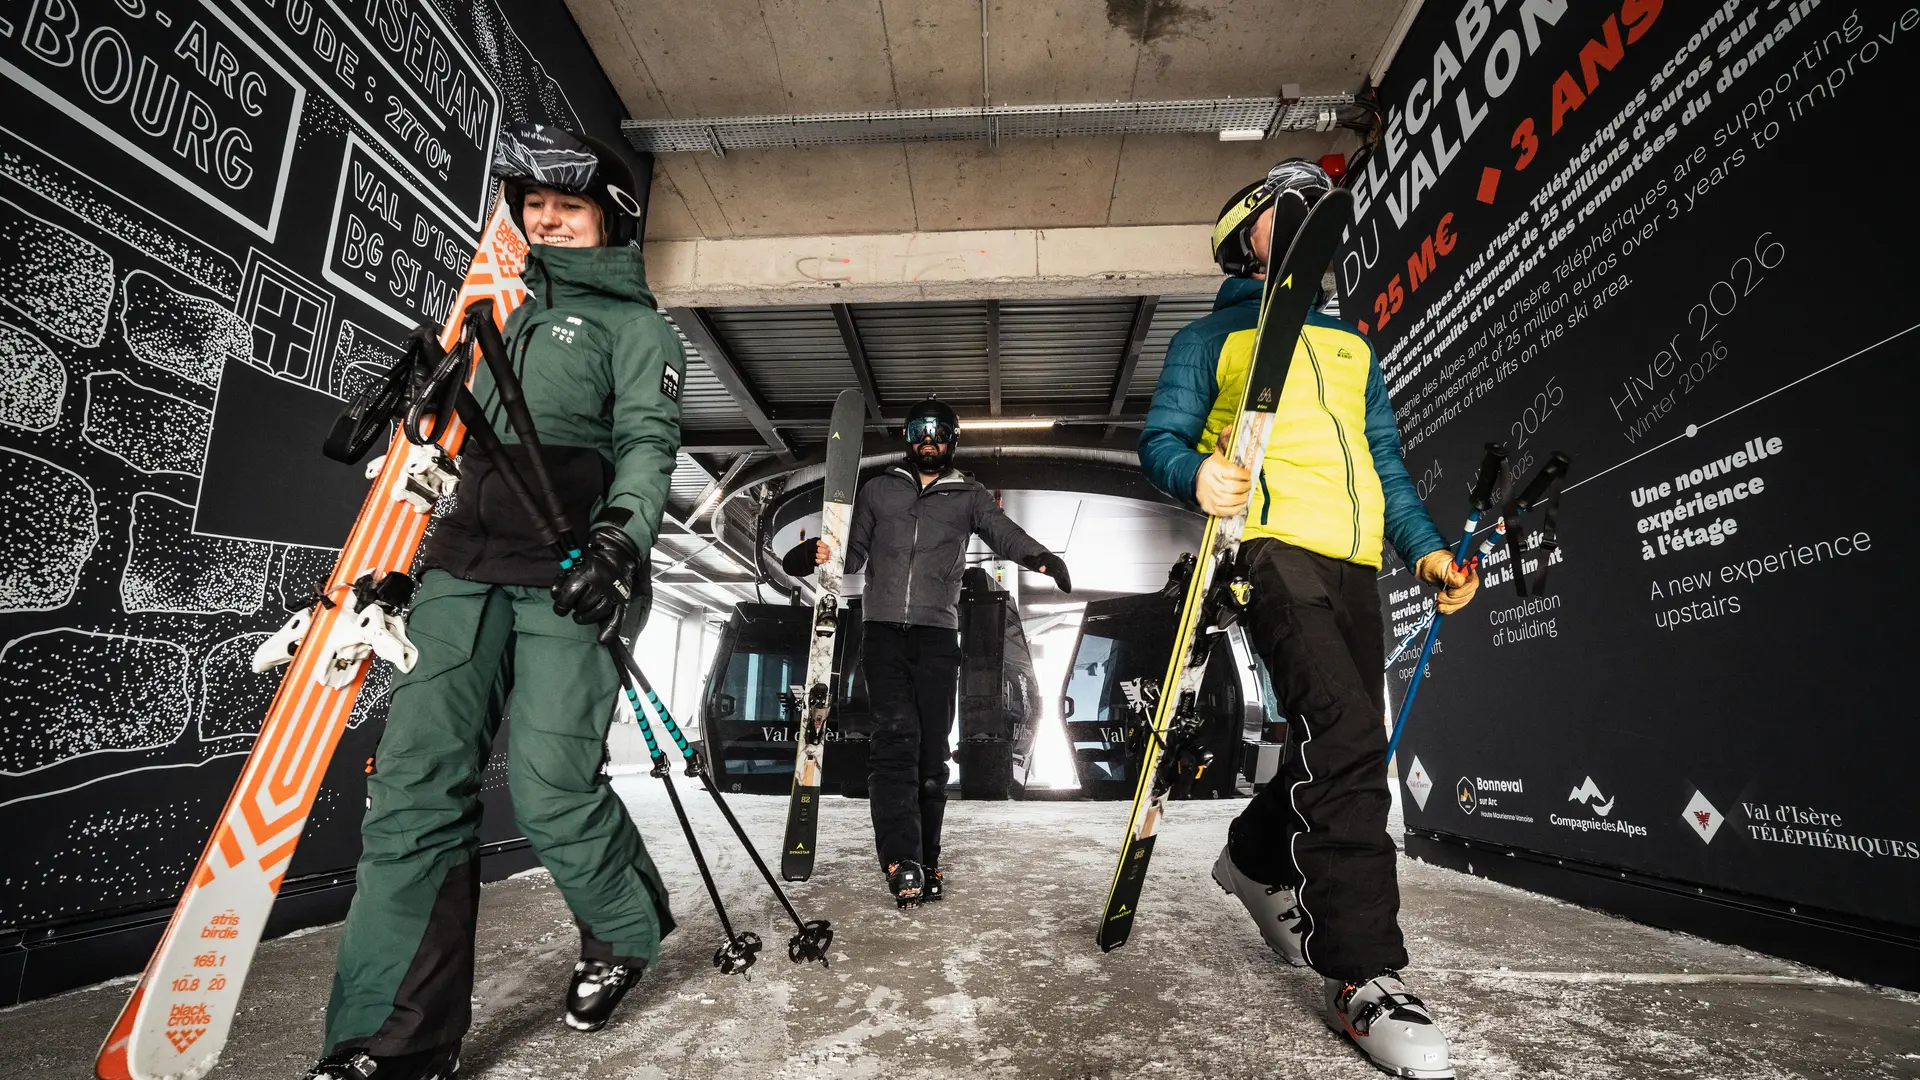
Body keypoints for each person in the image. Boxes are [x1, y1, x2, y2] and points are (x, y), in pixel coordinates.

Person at [306, 122, 687, 1080]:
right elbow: (449, 447)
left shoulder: (638, 329)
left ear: (612, 216)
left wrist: (621, 539)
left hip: (569, 569)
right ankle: (390, 1040)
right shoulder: (496, 311)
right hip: (464, 565)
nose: (547, 220)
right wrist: (403, 547)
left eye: (569, 205)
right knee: (413, 789)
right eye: (533, 207)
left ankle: (624, 931)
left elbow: (646, 444)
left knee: (553, 789)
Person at [1136, 159, 1478, 1079]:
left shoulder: (1354, 346)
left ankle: (1253, 857)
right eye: (1283, 212)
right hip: (1269, 547)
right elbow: (1161, 439)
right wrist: (1194, 474)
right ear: (1243, 235)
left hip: (1357, 556)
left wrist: (1429, 550)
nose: (1301, 224)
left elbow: (1387, 465)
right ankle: (1366, 975)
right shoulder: (1209, 337)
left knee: (1342, 743)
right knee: (1348, 732)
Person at [782, 399, 1070, 906]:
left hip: (939, 635)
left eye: (937, 431)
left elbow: (1004, 534)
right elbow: (852, 554)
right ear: (907, 437)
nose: (928, 439)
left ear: (953, 439)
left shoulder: (969, 495)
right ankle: (900, 859)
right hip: (884, 632)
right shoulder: (879, 490)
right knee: (896, 740)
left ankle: (926, 860)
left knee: (933, 753)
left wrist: (1040, 557)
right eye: (919, 430)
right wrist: (812, 555)